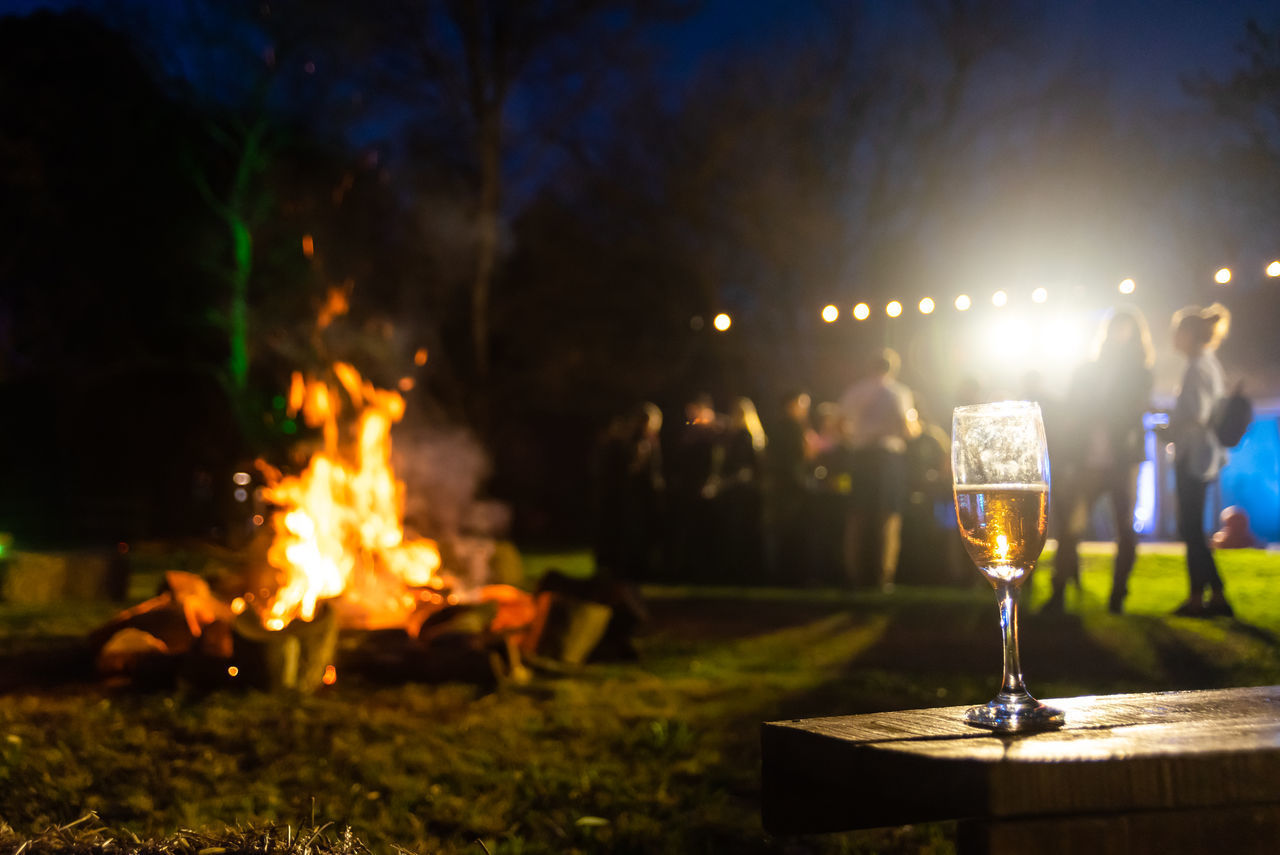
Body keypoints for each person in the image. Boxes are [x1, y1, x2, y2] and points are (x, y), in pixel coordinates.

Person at [1043, 307, 1155, 615]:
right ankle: (1059, 593)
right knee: (1071, 528)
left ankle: (1118, 594)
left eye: (1125, 330)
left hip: (1122, 460)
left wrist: (1097, 409)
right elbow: (1072, 410)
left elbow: (1129, 410)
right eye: (1116, 329)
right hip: (1089, 461)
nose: (1119, 336)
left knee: (1125, 529)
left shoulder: (1140, 374)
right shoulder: (1088, 370)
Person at [1168, 303, 1233, 617]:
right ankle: (1214, 596)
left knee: (1191, 528)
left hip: (1193, 457)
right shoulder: (1209, 364)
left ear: (1190, 334)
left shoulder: (1197, 367)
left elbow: (1195, 413)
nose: (1173, 338)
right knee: (1193, 528)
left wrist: (1170, 427)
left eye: (1177, 331)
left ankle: (1201, 596)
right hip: (1205, 456)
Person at [839, 348, 919, 590]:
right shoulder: (898, 392)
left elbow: (838, 423)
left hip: (861, 456)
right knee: (888, 515)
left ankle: (855, 575)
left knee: (859, 515)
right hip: (887, 458)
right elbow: (909, 428)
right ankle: (883, 577)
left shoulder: (854, 391)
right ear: (892, 369)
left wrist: (854, 438)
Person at [591, 402, 665, 582]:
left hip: (641, 494)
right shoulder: (636, 442)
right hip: (634, 495)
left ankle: (635, 567)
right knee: (631, 532)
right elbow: (632, 468)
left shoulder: (649, 440)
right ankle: (627, 568)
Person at [708, 396, 769, 582]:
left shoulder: (744, 437)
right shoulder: (743, 437)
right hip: (741, 491)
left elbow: (745, 468)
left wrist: (724, 482)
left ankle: (741, 571)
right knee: (740, 531)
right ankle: (743, 570)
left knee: (740, 530)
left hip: (741, 492)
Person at [768, 390, 820, 585]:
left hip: (788, 486)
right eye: (802, 404)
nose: (805, 409)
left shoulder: (787, 427)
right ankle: (794, 575)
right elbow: (795, 459)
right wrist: (802, 483)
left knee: (789, 531)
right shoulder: (790, 428)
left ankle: (788, 575)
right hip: (791, 487)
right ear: (791, 404)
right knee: (793, 531)